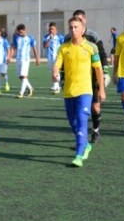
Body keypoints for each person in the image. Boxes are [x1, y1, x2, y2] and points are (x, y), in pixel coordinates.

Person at [53, 16, 105, 167]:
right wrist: (55, 73)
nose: (73, 30)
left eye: (76, 27)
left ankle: (79, 155)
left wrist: (101, 89)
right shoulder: (64, 48)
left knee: (82, 120)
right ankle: (86, 144)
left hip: (85, 90)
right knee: (73, 122)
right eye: (71, 27)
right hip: (69, 91)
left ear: (82, 29)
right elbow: (57, 65)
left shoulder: (91, 47)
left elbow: (98, 70)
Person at [63, 10, 109, 143]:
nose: (75, 28)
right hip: (75, 81)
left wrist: (104, 72)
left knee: (95, 107)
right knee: (77, 115)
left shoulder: (93, 36)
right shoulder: (67, 38)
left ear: (84, 22)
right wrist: (62, 77)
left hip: (92, 78)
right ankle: (81, 141)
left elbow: (102, 54)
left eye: (80, 21)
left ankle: (95, 131)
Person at [8, 23, 40, 98]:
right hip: (18, 59)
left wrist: (37, 59)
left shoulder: (30, 38)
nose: (20, 33)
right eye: (19, 32)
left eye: (21, 32)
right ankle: (30, 88)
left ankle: (21, 93)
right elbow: (13, 47)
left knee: (24, 76)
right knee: (20, 76)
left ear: (25, 30)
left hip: (25, 60)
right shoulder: (17, 38)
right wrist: (10, 57)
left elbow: (34, 49)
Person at [43, 22, 64, 94]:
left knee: (56, 71)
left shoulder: (60, 37)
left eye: (52, 29)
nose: (51, 30)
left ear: (56, 30)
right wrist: (49, 39)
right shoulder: (46, 37)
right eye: (50, 29)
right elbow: (45, 46)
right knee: (52, 72)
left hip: (57, 57)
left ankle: (56, 87)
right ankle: (57, 84)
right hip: (50, 57)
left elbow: (63, 47)